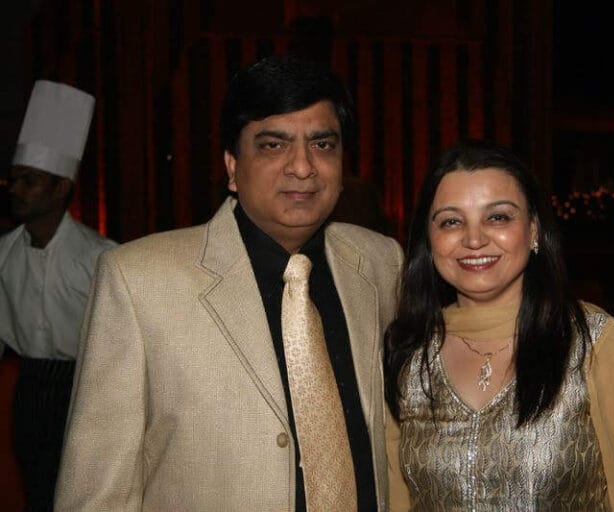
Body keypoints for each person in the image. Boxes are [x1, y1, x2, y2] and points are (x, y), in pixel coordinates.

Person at [55, 55, 408, 511]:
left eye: (322, 144)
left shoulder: (380, 262)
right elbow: (95, 493)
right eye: (273, 145)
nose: (303, 167)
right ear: (232, 167)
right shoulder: (137, 281)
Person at [385, 139, 614, 511]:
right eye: (451, 221)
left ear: (534, 229)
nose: (474, 239)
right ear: (430, 240)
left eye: (498, 217)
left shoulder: (592, 342)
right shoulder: (408, 352)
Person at [0, 80, 117, 512]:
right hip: (30, 390)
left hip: (87, 390)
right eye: (14, 179)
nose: (15, 189)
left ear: (62, 187)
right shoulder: (3, 255)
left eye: (29, 181)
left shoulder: (101, 258)